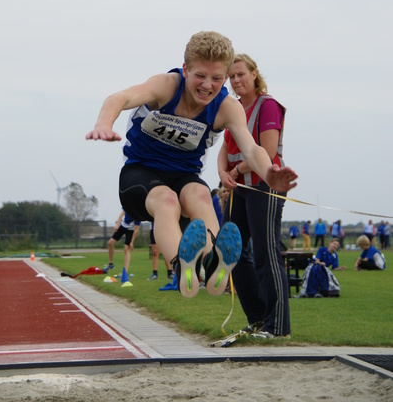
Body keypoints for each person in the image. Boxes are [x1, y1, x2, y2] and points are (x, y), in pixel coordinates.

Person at [86, 31, 298, 299]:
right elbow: (119, 98)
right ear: (185, 70)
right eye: (200, 76)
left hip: (185, 175)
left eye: (217, 79)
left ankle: (212, 266)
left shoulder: (226, 107)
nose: (208, 86)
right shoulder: (166, 86)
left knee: (200, 195)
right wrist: (104, 124)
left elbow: (252, 149)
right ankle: (183, 266)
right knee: (167, 201)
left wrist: (269, 174)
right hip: (140, 174)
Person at [217, 53, 292, 339]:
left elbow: (268, 152)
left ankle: (278, 326)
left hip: (265, 186)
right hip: (240, 190)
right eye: (231, 76)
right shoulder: (233, 109)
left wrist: (235, 172)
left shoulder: (267, 105)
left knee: (265, 253)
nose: (236, 81)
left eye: (240, 75)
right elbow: (225, 148)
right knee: (230, 249)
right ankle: (258, 318)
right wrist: (223, 172)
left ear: (253, 74)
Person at [105, 210, 140, 274]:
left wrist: (132, 242)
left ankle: (125, 272)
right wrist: (117, 225)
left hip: (130, 230)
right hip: (123, 226)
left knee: (126, 249)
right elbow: (122, 213)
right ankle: (111, 264)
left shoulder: (138, 212)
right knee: (110, 243)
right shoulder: (128, 204)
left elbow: (136, 228)